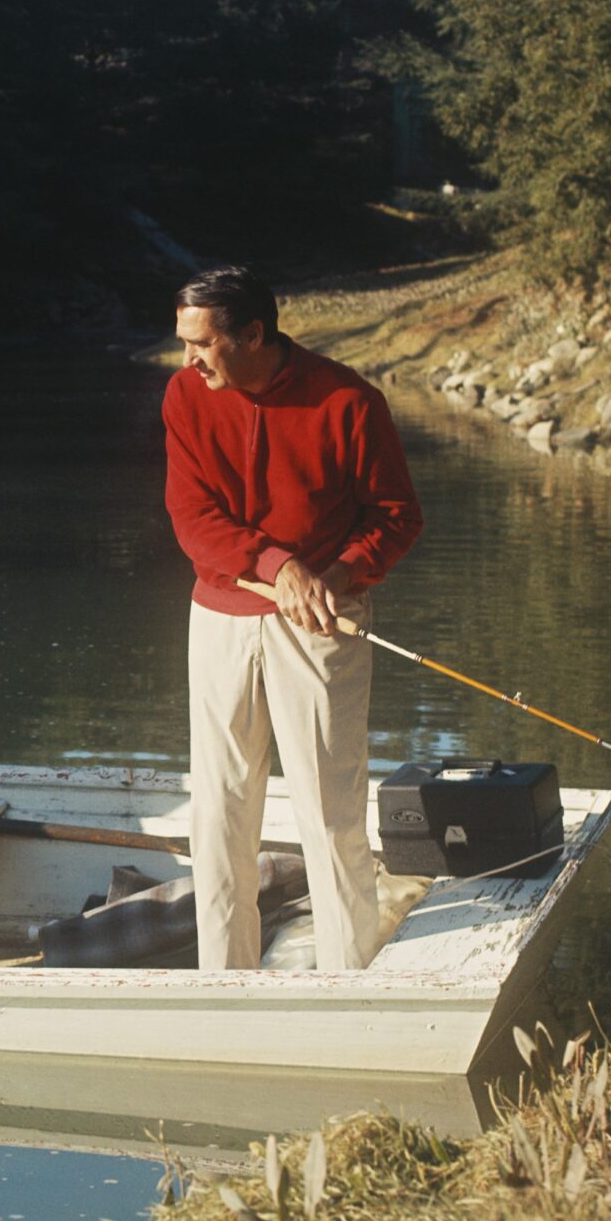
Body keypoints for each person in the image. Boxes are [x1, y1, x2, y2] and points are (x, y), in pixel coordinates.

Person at [162, 263, 423, 972]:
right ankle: (223, 982)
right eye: (183, 341)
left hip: (321, 622)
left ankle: (348, 978)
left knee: (329, 810)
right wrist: (278, 565)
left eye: (201, 343)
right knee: (218, 816)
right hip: (220, 616)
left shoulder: (348, 401)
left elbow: (397, 518)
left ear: (252, 334)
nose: (187, 358)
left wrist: (336, 576)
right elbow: (192, 519)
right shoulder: (186, 395)